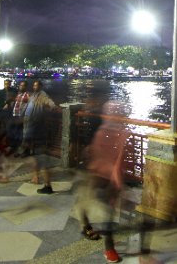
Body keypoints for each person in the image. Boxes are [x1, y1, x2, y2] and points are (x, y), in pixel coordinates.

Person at [75, 102, 129, 264]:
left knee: (103, 208)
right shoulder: (108, 131)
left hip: (101, 173)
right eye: (117, 112)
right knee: (105, 210)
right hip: (99, 173)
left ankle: (89, 228)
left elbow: (117, 157)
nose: (119, 114)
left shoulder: (114, 131)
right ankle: (108, 248)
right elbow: (112, 157)